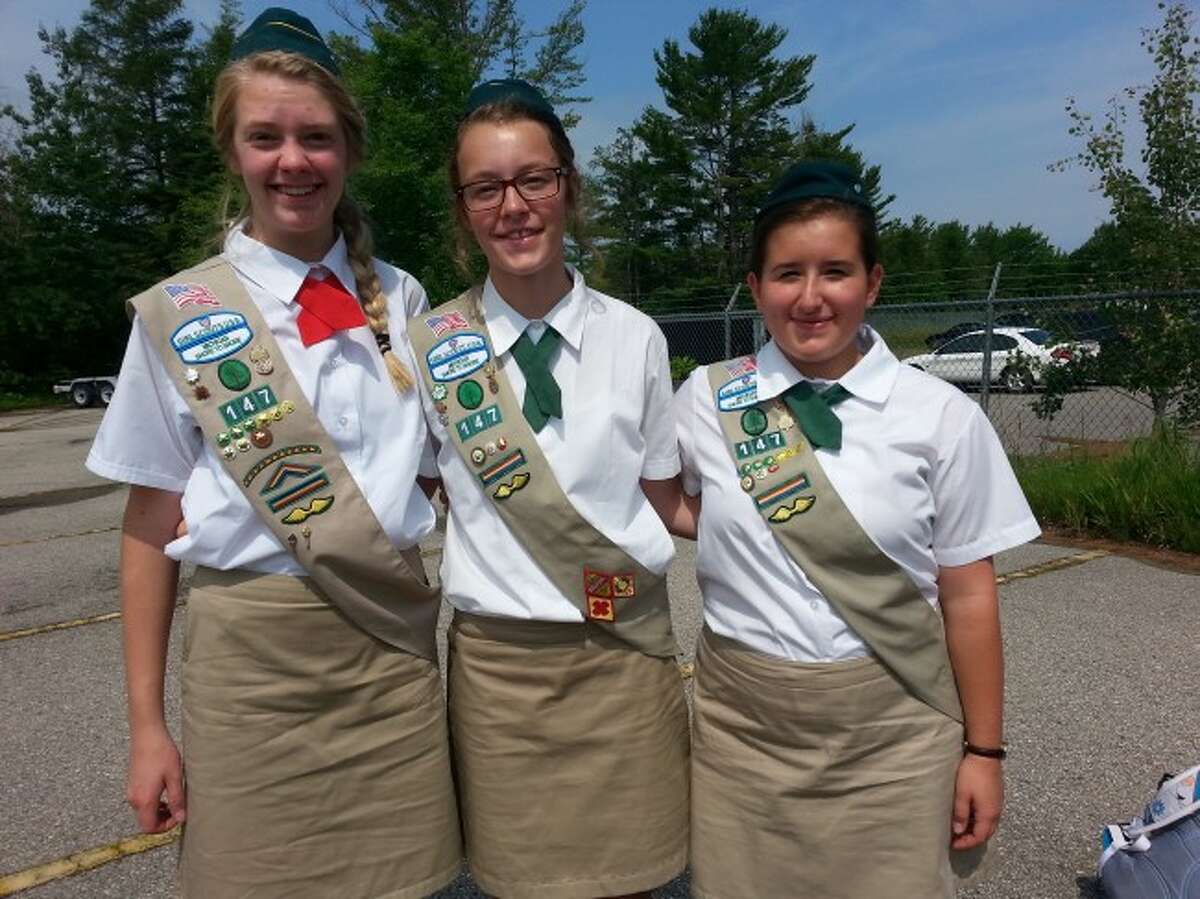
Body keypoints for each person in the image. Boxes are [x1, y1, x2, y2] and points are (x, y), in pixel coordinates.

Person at [85, 9, 460, 897]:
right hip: (251, 668)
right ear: (233, 150)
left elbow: (448, 473)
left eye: (317, 137)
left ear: (350, 151)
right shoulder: (182, 313)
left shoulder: (404, 299)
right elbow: (147, 525)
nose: (293, 160)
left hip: (389, 654)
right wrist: (147, 727)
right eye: (266, 136)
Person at [672, 160, 1041, 899]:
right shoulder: (706, 401)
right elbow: (667, 501)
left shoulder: (939, 415)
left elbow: (968, 594)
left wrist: (985, 751)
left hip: (895, 734)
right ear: (755, 287)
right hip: (743, 731)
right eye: (786, 274)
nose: (810, 298)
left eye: (834, 271)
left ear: (872, 282)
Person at [404, 79, 689, 899]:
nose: (514, 206)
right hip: (502, 672)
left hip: (622, 653)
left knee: (638, 877)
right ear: (464, 209)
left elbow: (666, 499)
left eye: (535, 178)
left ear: (569, 186)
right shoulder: (430, 345)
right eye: (486, 187)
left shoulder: (636, 336)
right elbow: (409, 497)